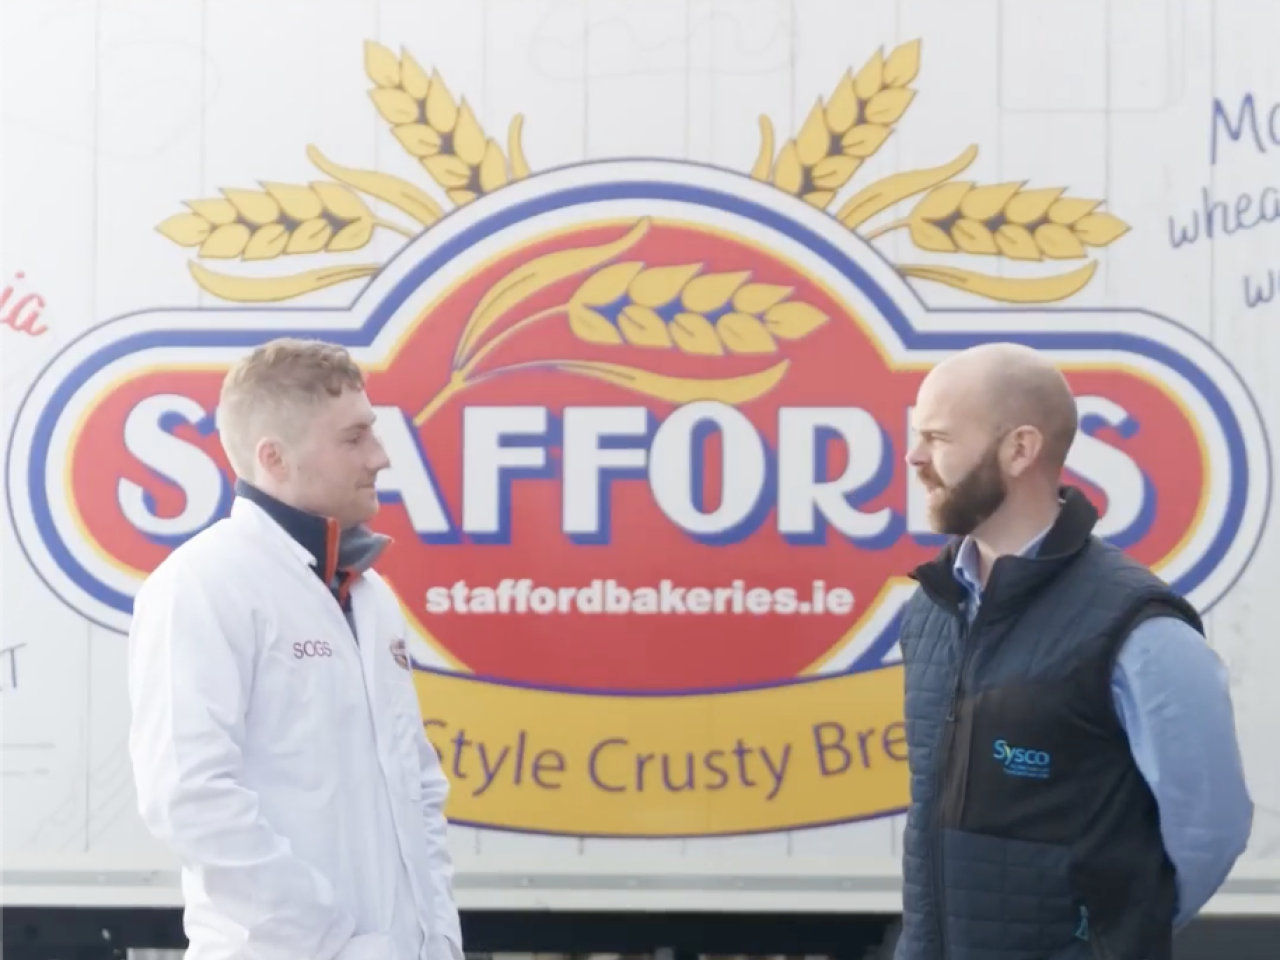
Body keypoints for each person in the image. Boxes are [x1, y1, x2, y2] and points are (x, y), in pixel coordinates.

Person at [893, 342, 1253, 960]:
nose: (915, 456)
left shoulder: (1137, 629)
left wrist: (1110, 940)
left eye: (939, 437)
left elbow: (1208, 830)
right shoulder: (931, 610)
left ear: (1020, 449)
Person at [127, 338, 462, 960]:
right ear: (274, 458)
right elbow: (190, 796)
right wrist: (333, 944)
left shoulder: (369, 593)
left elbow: (417, 786)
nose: (381, 457)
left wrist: (437, 939)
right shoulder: (203, 584)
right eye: (353, 438)